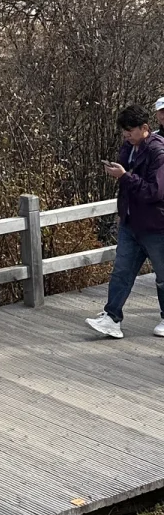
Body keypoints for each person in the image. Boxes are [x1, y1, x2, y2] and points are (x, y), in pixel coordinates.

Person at [85, 104, 164, 339]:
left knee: (162, 275)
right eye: (124, 131)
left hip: (156, 226)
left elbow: (155, 192)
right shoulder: (128, 148)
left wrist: (125, 176)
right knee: (121, 271)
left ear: (145, 128)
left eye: (130, 130)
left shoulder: (158, 153)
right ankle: (111, 317)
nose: (126, 135)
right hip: (130, 223)